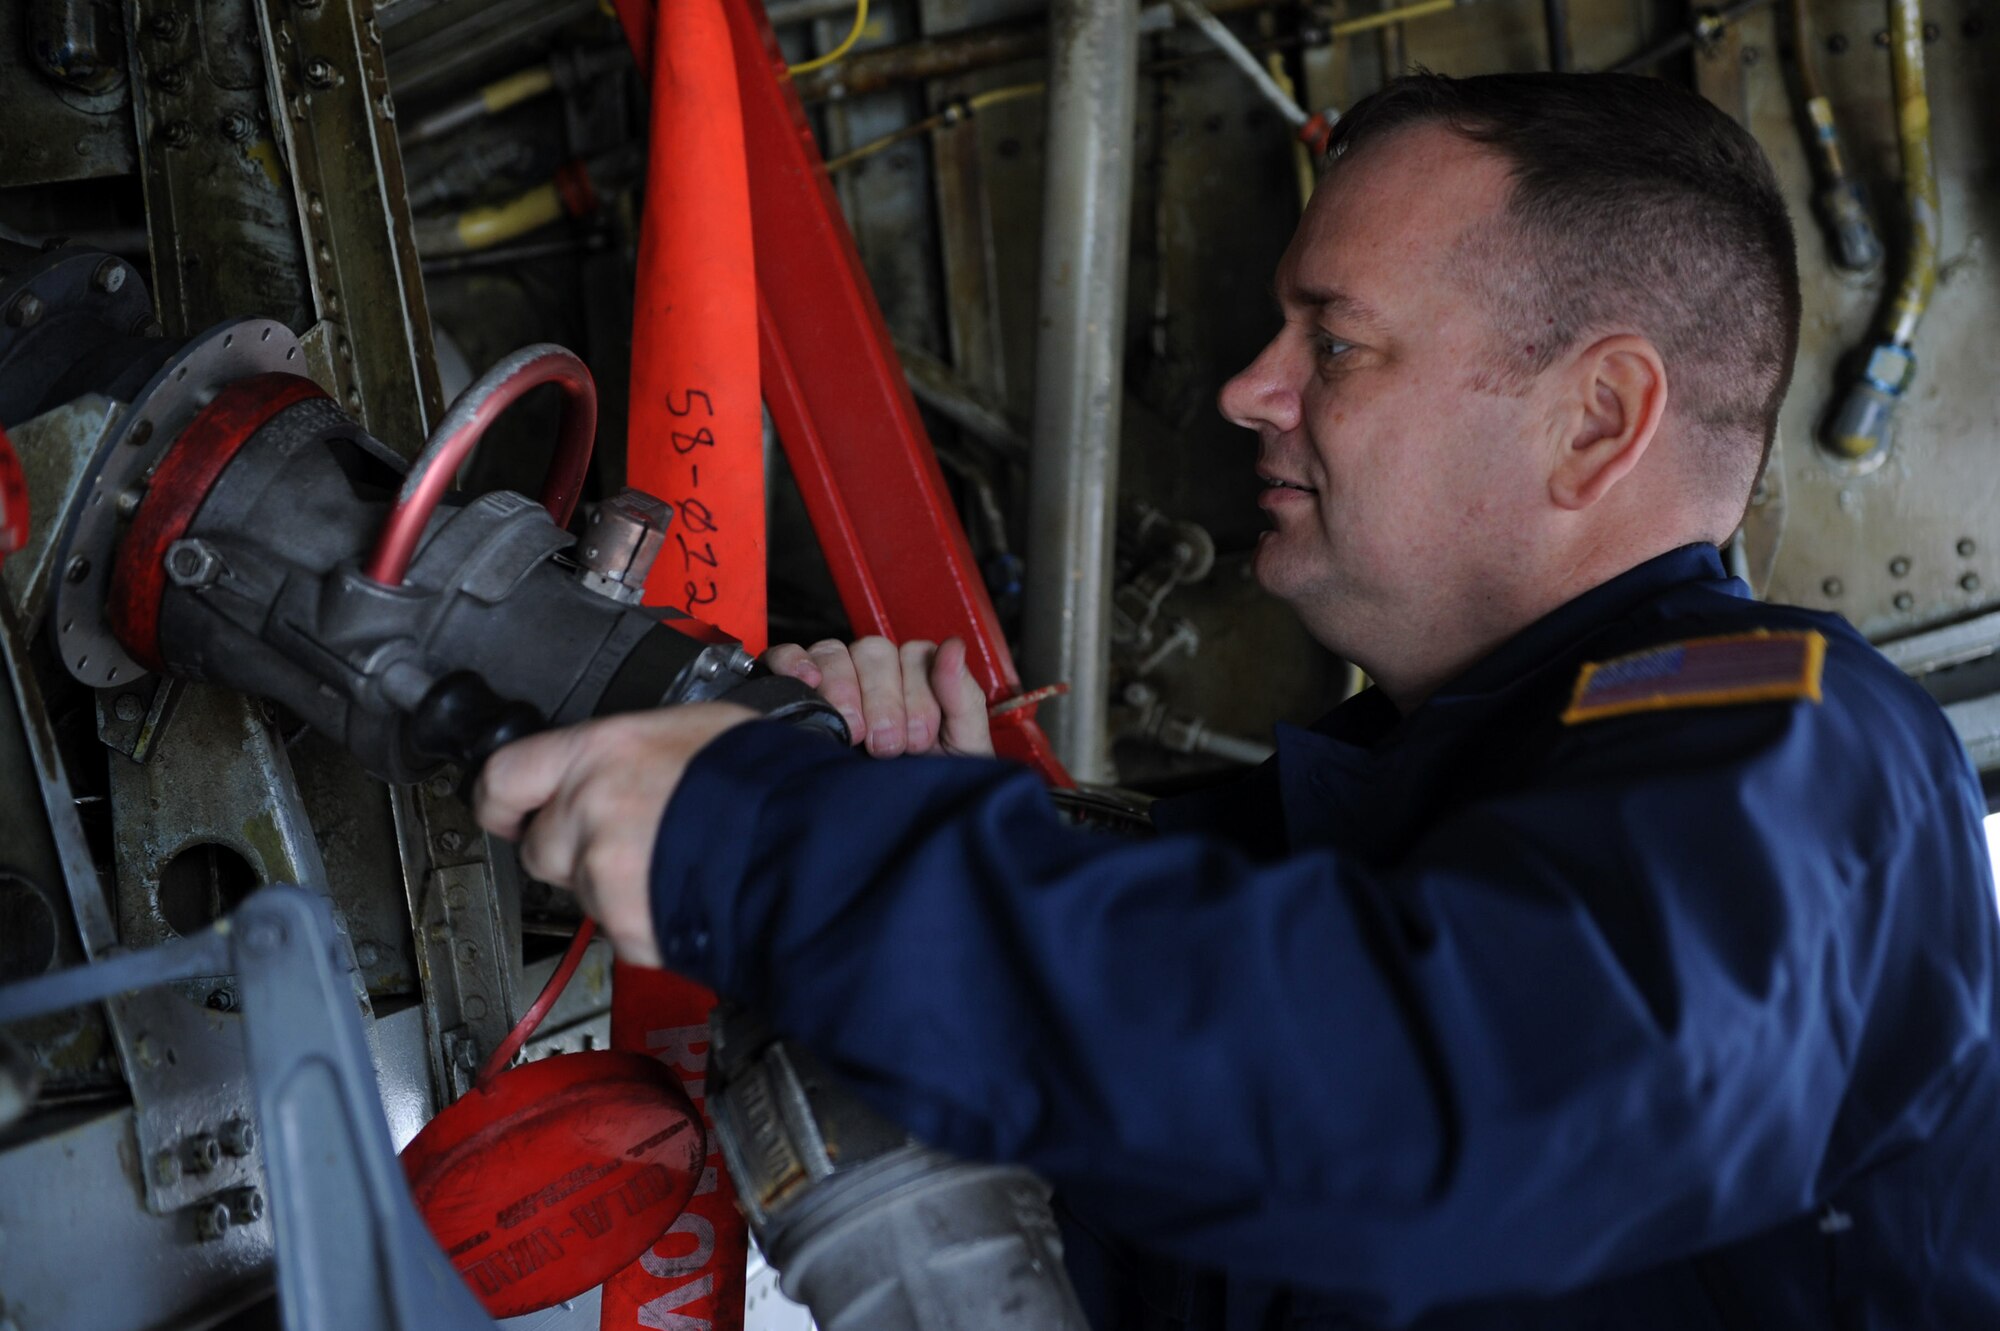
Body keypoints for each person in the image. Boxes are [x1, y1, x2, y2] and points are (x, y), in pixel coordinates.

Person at [475, 72, 2000, 1328]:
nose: (1249, 391)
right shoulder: (1383, 835)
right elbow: (1234, 1229)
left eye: (1332, 341)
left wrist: (783, 849)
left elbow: (1417, 1118)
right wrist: (934, 826)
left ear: (1595, 421)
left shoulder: (1808, 759)